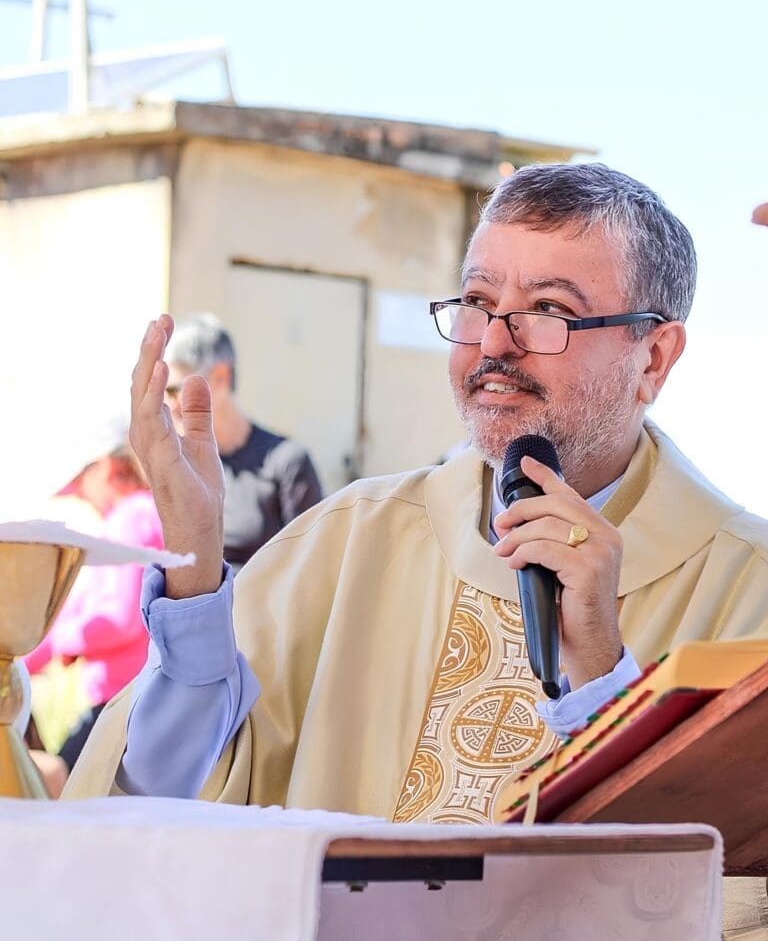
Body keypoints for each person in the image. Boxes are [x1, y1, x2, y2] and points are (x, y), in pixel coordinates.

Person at [65, 164, 768, 933]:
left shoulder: (747, 592)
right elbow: (148, 807)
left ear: (655, 357)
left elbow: (731, 903)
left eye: (548, 312)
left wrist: (603, 683)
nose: (495, 344)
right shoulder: (349, 540)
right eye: (477, 302)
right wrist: (197, 571)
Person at [24, 435, 163, 771]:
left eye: (83, 487)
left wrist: (61, 644)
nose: (85, 500)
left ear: (104, 469)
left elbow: (117, 619)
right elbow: (71, 613)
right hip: (131, 700)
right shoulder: (140, 516)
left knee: (59, 782)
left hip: (128, 701)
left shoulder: (131, 518)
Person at [162, 313, 323, 573]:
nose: (168, 404)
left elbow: (313, 566)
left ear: (221, 377)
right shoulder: (178, 465)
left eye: (174, 390)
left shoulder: (287, 462)